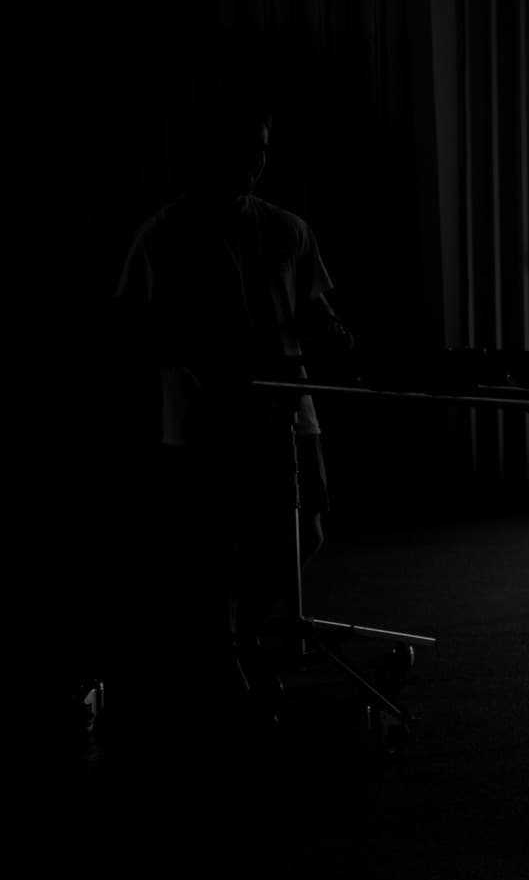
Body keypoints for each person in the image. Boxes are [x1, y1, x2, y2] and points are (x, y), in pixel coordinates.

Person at [116, 102, 356, 722]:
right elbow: (131, 328)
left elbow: (314, 315)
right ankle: (227, 652)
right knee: (213, 542)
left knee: (302, 531)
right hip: (202, 421)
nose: (254, 162)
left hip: (283, 411)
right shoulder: (164, 235)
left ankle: (242, 632)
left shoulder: (286, 230)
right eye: (243, 149)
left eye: (262, 150)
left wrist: (337, 339)